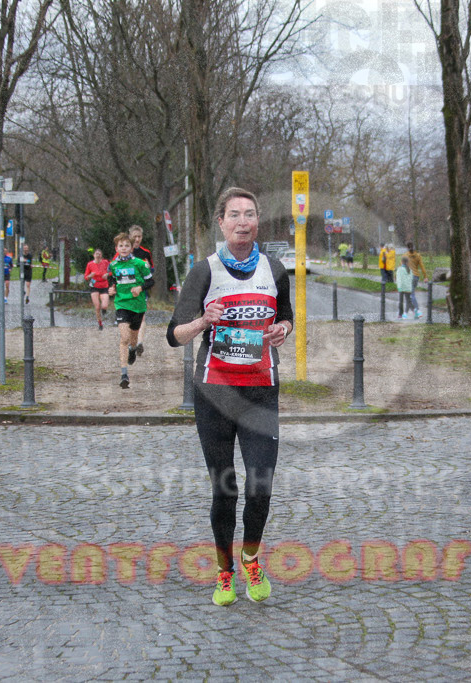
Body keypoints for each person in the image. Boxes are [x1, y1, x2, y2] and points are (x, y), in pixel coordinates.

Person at [166, 187, 293, 607]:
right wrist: (204, 319)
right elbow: (174, 335)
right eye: (235, 214)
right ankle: (225, 573)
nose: (243, 221)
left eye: (250, 214)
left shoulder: (275, 270)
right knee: (226, 490)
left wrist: (283, 331)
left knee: (261, 485)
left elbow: (287, 317)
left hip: (260, 392)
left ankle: (252, 558)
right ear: (221, 222)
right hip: (215, 395)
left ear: (258, 222)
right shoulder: (204, 272)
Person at [107, 233, 153, 388]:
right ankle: (124, 374)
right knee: (124, 338)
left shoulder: (140, 263)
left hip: (138, 306)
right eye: (121, 246)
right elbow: (112, 279)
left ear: (131, 247)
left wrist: (140, 288)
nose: (124, 248)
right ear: (116, 248)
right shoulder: (113, 265)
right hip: (122, 304)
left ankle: (133, 349)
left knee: (133, 339)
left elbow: (150, 281)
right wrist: (111, 289)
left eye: (127, 245)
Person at [128, 225, 155, 357]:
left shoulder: (146, 253)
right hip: (126, 290)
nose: (137, 239)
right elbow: (113, 269)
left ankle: (139, 342)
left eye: (139, 237)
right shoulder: (124, 251)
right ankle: (131, 343)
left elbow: (152, 271)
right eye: (135, 236)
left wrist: (149, 268)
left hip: (141, 289)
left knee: (142, 316)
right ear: (130, 237)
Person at [84, 248, 111, 330]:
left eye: (99, 254)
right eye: (96, 254)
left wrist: (107, 274)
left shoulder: (106, 262)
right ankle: (100, 323)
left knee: (105, 305)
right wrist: (90, 276)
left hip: (104, 285)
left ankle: (104, 309)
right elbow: (86, 277)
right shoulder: (90, 264)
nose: (98, 255)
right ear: (94, 255)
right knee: (97, 306)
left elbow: (112, 271)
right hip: (94, 286)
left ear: (101, 255)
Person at [405, 241, 427, 319]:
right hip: (416, 276)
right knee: (411, 294)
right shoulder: (418, 255)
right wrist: (425, 276)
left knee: (410, 295)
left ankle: (417, 310)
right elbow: (422, 266)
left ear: (407, 247)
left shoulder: (405, 256)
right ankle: (414, 312)